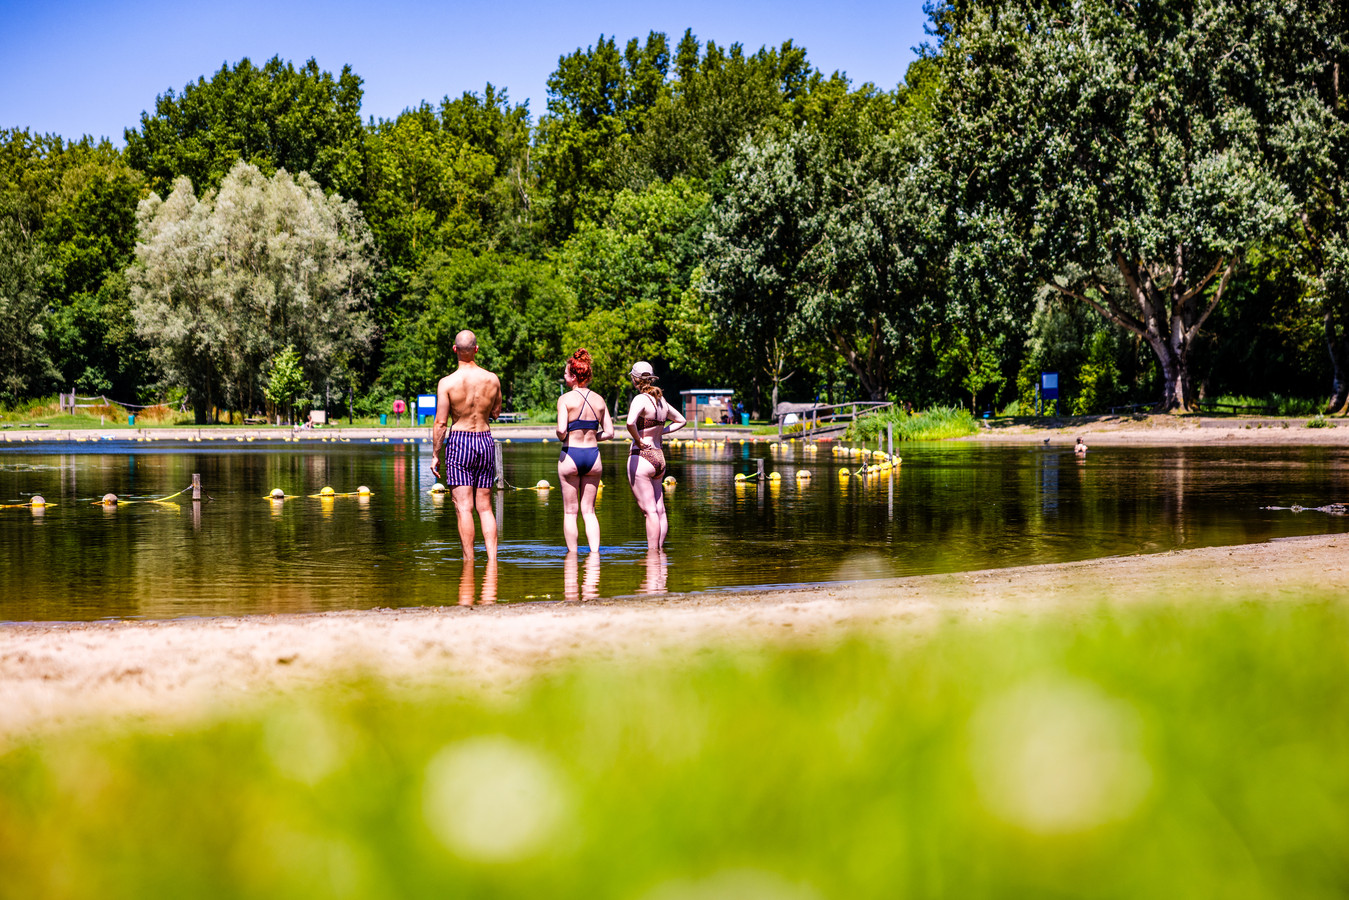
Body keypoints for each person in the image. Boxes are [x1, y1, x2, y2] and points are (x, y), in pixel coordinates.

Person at [431, 330, 502, 562]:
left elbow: (441, 423)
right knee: (485, 507)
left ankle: (469, 562)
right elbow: (496, 413)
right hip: (484, 439)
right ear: (476, 349)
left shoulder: (447, 383)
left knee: (463, 507)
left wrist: (435, 454)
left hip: (460, 440)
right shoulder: (492, 379)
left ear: (454, 350)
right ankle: (492, 561)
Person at [556, 348, 614, 553]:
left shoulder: (565, 400)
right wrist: (592, 436)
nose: (564, 376)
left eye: (565, 373)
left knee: (571, 512)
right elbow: (610, 432)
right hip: (593, 457)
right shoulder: (599, 400)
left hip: (570, 455)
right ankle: (595, 555)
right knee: (589, 511)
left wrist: (562, 435)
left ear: (573, 376)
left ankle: (572, 557)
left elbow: (562, 430)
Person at [626, 361, 687, 550]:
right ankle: (659, 554)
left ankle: (652, 555)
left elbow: (630, 423)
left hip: (642, 455)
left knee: (650, 512)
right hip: (659, 458)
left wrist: (638, 439)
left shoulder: (640, 399)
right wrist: (662, 432)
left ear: (635, 380)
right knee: (660, 510)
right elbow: (682, 420)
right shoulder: (661, 401)